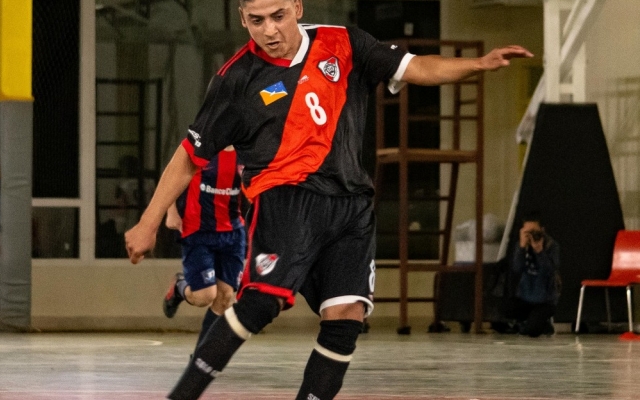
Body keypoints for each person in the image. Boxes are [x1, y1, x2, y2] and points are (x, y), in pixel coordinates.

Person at [125, 0, 534, 398]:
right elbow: (188, 156)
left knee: (347, 315)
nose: (269, 30)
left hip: (352, 206)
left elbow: (418, 67)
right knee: (260, 305)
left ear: (298, 8)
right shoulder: (237, 79)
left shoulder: (344, 43)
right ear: (243, 19)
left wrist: (479, 64)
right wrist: (148, 221)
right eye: (257, 20)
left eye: (278, 16)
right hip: (286, 200)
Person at [163, 146, 246, 350]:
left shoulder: (248, 148)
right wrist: (171, 211)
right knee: (204, 297)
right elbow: (172, 175)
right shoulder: (202, 145)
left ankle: (202, 355)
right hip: (198, 231)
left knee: (225, 297)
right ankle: (179, 287)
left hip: (233, 232)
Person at [511, 214, 561, 337]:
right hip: (525, 296)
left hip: (545, 300)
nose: (531, 236)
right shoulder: (521, 245)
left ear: (542, 230)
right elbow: (516, 269)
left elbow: (549, 271)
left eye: (534, 232)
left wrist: (539, 252)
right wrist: (521, 248)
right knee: (504, 310)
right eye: (527, 233)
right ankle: (527, 322)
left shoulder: (552, 246)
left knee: (532, 331)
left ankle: (540, 324)